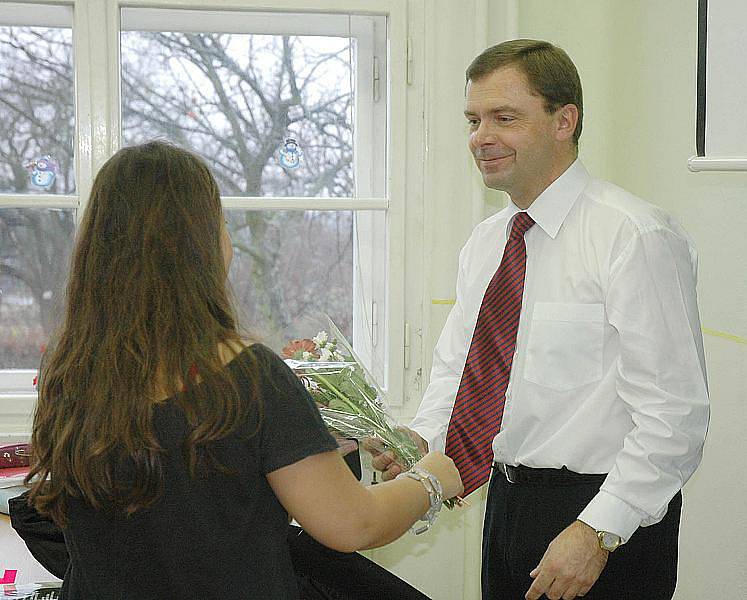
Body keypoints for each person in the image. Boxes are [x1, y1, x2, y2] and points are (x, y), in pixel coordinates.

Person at [25, 141, 462, 599]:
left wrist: (306, 444)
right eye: (222, 222)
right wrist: (429, 479)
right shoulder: (249, 377)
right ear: (203, 244)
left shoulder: (70, 373)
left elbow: (177, 494)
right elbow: (352, 524)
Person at [369, 39, 709, 599]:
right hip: (503, 506)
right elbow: (461, 375)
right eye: (474, 119)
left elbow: (675, 416)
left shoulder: (634, 236)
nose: (481, 137)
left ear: (563, 120)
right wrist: (418, 439)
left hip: (601, 519)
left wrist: (598, 531)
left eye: (505, 117)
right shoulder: (485, 244)